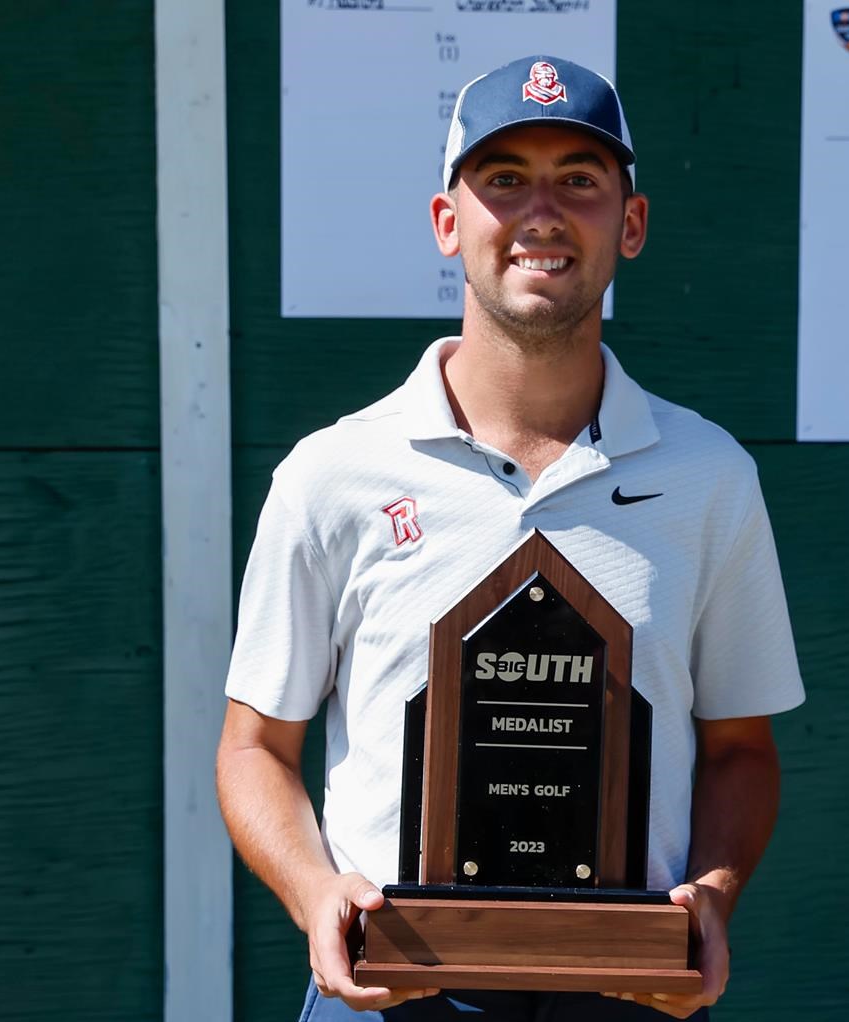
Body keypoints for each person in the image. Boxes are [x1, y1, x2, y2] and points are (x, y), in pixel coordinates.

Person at [216, 55, 804, 1021]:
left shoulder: (711, 477)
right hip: (391, 990)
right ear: (448, 223)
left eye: (580, 179)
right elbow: (253, 749)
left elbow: (742, 748)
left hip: (627, 989)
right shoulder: (331, 474)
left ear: (633, 222)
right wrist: (315, 893)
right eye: (503, 180)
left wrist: (710, 897)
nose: (542, 213)